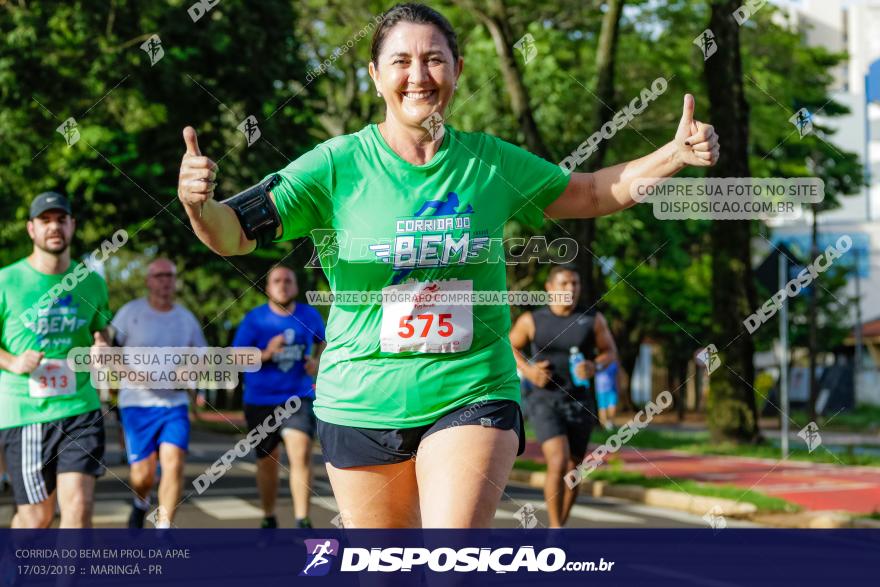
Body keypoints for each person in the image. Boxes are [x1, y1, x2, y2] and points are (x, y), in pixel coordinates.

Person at [176, 3, 719, 528]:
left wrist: (672, 154)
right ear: (374, 74)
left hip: (472, 391)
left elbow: (593, 191)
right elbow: (235, 234)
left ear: (458, 69)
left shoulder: (490, 162)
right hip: (362, 399)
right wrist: (200, 207)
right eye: (401, 61)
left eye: (435, 59)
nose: (420, 75)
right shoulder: (336, 164)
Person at [0, 192, 112, 528]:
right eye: (45, 220)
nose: (54, 227)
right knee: (37, 521)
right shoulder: (7, 281)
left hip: (80, 408)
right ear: (31, 229)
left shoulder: (91, 283)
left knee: (78, 505)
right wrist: (12, 361)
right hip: (26, 411)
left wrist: (102, 345)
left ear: (72, 225)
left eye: (61, 219)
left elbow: (100, 331)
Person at [509, 265, 618, 527]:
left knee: (575, 468)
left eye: (575, 284)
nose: (571, 289)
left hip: (579, 400)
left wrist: (594, 366)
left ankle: (561, 526)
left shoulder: (593, 319)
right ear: (549, 288)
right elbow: (508, 344)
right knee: (557, 460)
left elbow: (609, 352)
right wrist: (529, 371)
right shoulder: (532, 320)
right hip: (544, 400)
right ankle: (555, 530)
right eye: (565, 283)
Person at [110, 258, 207, 529]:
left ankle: (163, 531)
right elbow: (110, 351)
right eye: (159, 275)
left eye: (170, 276)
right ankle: (141, 502)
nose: (165, 280)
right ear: (148, 281)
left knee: (174, 463)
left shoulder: (185, 318)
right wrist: (131, 375)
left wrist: (189, 373)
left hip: (173, 404)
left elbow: (201, 355)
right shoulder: (130, 313)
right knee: (143, 475)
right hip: (136, 404)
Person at [232, 266, 325, 529]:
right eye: (276, 281)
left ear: (295, 286)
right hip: (260, 399)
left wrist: (318, 361)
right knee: (267, 461)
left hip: (297, 395)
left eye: (288, 280)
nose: (283, 285)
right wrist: (266, 353)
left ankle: (302, 519)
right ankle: (269, 515)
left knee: (301, 451)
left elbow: (325, 341)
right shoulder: (254, 320)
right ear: (267, 287)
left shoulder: (309, 315)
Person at [596, 358, 620, 431]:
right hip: (600, 390)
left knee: (613, 406)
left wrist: (618, 387)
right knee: (602, 408)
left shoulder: (614, 362)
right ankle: (604, 426)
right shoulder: (597, 362)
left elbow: (617, 376)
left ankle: (609, 423)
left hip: (612, 389)